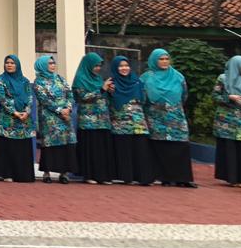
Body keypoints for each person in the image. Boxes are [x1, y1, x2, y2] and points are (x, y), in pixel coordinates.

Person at [142, 48, 196, 188]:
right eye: (161, 59)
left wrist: (172, 108)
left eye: (167, 59)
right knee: (161, 147)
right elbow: (142, 98)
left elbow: (184, 95)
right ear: (154, 60)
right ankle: (165, 178)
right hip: (156, 118)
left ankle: (183, 178)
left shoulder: (178, 77)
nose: (165, 61)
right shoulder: (146, 78)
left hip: (176, 117)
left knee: (180, 146)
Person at [108, 55, 153, 186]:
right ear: (115, 68)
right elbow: (107, 101)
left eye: (126, 65)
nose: (124, 68)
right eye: (121, 66)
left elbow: (144, 100)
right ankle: (125, 177)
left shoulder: (137, 82)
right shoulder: (111, 84)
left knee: (141, 150)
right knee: (124, 151)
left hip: (138, 123)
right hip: (120, 124)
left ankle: (143, 177)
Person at [72, 52, 114, 185]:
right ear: (88, 65)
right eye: (95, 65)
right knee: (91, 148)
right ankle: (89, 175)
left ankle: (103, 176)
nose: (98, 68)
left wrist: (109, 92)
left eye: (99, 65)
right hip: (88, 121)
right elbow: (83, 97)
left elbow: (104, 97)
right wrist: (101, 89)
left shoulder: (98, 78)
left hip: (102, 120)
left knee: (102, 149)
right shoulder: (80, 79)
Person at [33, 54, 76, 183]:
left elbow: (70, 94)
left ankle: (64, 173)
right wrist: (60, 110)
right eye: (49, 63)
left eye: (53, 63)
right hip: (49, 118)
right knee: (49, 146)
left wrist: (68, 108)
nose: (52, 65)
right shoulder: (39, 81)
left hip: (65, 117)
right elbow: (44, 100)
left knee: (66, 145)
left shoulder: (60, 79)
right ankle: (46, 173)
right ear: (42, 65)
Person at [0, 54, 36, 182]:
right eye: (7, 63)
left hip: (24, 119)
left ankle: (23, 174)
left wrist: (27, 111)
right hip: (8, 119)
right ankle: (8, 173)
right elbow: (2, 98)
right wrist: (14, 112)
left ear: (17, 65)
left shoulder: (25, 81)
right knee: (9, 147)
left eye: (12, 63)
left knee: (22, 147)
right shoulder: (1, 80)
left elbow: (30, 97)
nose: (9, 65)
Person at [212, 55, 241, 187]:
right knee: (229, 148)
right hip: (226, 121)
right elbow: (215, 96)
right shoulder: (223, 78)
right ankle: (231, 178)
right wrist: (229, 97)